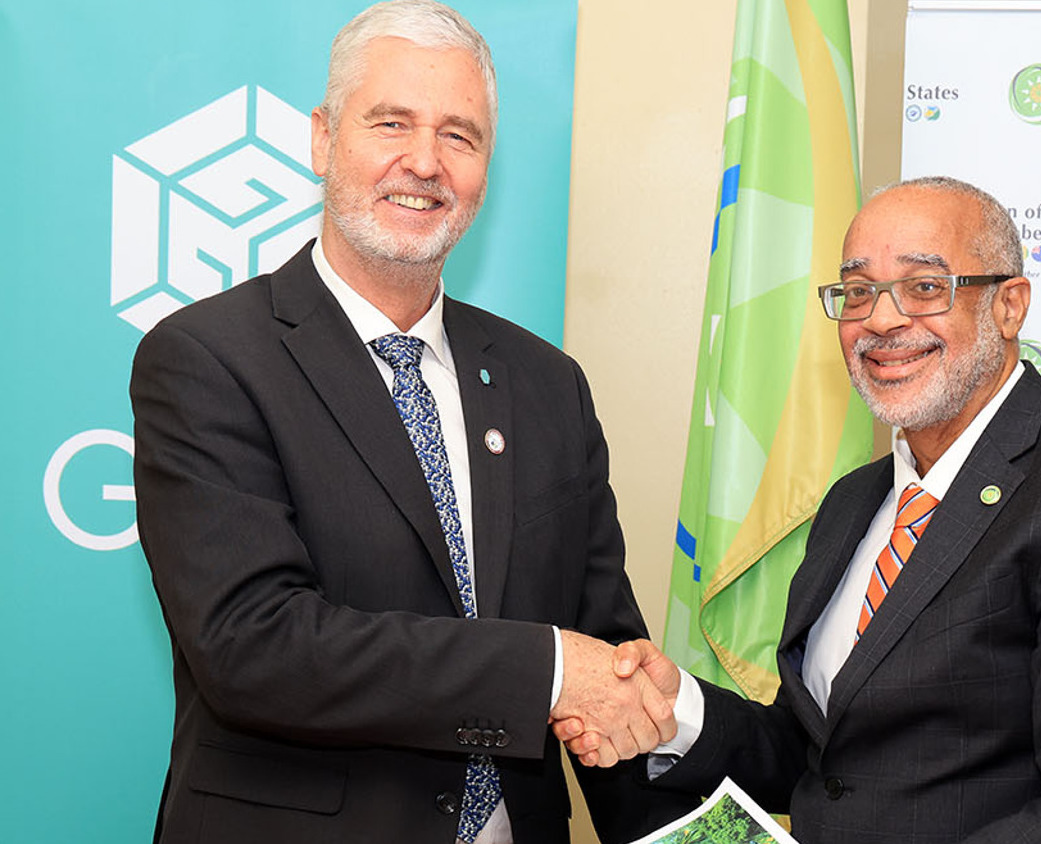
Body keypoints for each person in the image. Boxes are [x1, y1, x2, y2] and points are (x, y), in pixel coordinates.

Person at [129, 2, 694, 842]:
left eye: (459, 135)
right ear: (323, 140)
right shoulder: (207, 359)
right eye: (391, 123)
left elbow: (603, 671)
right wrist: (544, 671)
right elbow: (255, 647)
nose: (425, 162)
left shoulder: (549, 385)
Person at [558, 176, 1041, 843]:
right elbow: (829, 760)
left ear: (1008, 306)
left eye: (924, 287)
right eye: (857, 292)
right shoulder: (855, 501)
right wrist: (675, 709)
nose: (880, 320)